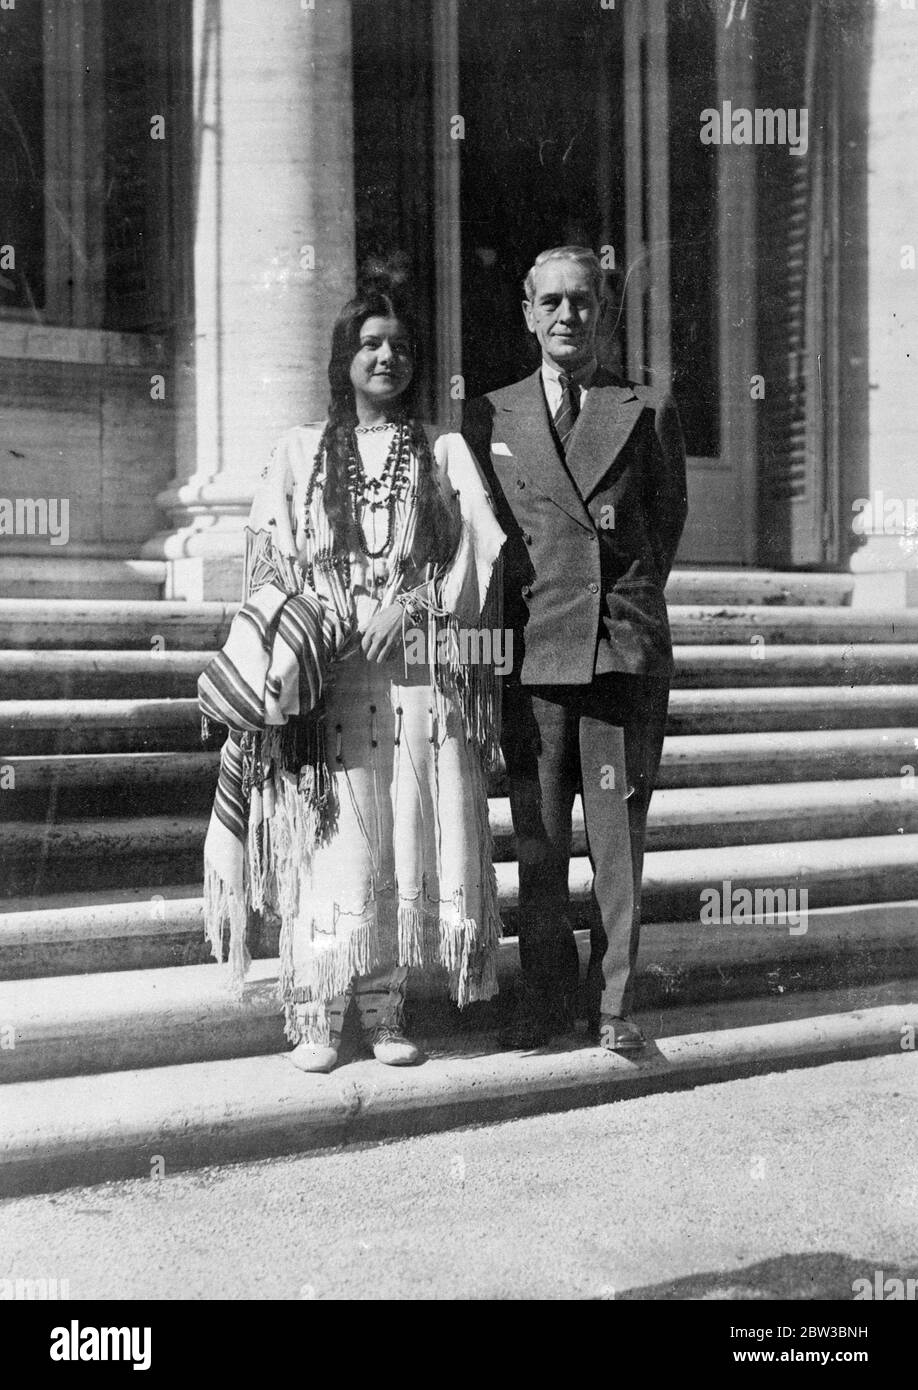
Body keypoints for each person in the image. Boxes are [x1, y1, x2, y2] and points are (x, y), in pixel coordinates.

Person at [200, 273, 506, 1073]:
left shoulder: (442, 451)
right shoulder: (300, 452)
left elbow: (481, 552)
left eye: (402, 347)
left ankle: (386, 1004)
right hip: (325, 675)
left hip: (413, 675)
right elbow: (266, 562)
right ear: (344, 357)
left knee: (401, 833)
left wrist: (417, 608)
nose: (387, 358)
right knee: (331, 842)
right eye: (370, 344)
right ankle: (317, 1008)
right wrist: (310, 620)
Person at [462, 245, 687, 1052]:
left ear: (607, 311)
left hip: (619, 649)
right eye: (550, 302)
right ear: (527, 313)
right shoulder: (490, 414)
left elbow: (662, 531)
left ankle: (615, 1005)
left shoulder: (645, 409)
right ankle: (544, 999)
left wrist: (619, 608)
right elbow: (483, 538)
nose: (567, 317)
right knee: (541, 840)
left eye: (583, 302)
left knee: (618, 843)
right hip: (533, 653)